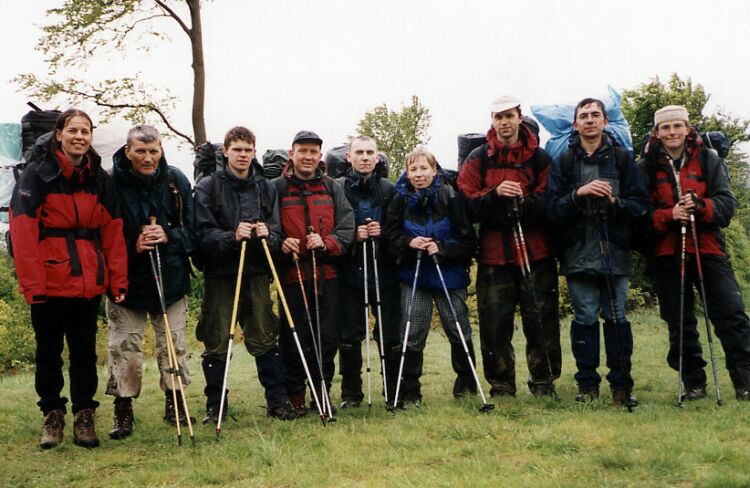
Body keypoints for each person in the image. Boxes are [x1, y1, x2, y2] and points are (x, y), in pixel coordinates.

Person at [9, 109, 128, 449]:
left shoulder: (99, 178)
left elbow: (112, 232)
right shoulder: (36, 175)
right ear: (59, 134)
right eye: (73, 130)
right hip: (48, 282)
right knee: (48, 352)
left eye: (86, 131)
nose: (80, 137)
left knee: (84, 353)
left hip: (88, 282)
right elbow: (23, 233)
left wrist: (116, 280)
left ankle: (84, 415)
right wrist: (33, 286)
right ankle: (52, 414)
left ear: (91, 137)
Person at [638, 105, 750, 401]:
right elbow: (638, 215)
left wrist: (701, 207)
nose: (672, 132)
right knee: (679, 321)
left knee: (730, 314)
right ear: (657, 133)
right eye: (665, 127)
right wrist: (668, 214)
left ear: (688, 127)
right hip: (666, 252)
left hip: (708, 248)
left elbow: (726, 206)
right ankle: (694, 383)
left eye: (677, 126)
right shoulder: (645, 165)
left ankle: (745, 381)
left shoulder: (709, 159)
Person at [457, 96, 561, 399]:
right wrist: (495, 195)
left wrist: (524, 201)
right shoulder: (478, 157)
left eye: (509, 116)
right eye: (498, 117)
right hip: (494, 255)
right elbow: (466, 201)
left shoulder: (540, 158)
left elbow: (550, 198)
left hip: (535, 252)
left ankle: (543, 382)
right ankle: (501, 385)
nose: (504, 122)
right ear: (492, 120)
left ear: (519, 117)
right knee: (494, 326)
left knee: (541, 321)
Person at [546, 98, 648, 405]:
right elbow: (551, 211)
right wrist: (578, 194)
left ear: (605, 121)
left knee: (617, 318)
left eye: (595, 115)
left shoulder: (623, 159)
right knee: (585, 318)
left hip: (614, 251)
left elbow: (641, 206)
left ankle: (621, 387)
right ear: (575, 124)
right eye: (583, 116)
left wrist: (616, 203)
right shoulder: (562, 161)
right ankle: (586, 386)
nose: (589, 120)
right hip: (577, 253)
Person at [195, 126, 298, 422]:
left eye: (248, 149)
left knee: (265, 334)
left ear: (254, 152)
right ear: (225, 151)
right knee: (216, 339)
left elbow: (277, 230)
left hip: (255, 273)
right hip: (220, 275)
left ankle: (277, 401)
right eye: (237, 149)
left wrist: (270, 233)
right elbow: (202, 233)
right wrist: (231, 236)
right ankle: (216, 405)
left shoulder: (265, 187)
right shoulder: (208, 186)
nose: (242, 155)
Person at [105, 125, 196, 439]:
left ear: (161, 149)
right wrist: (134, 244)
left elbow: (195, 230)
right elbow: (100, 234)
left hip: (171, 276)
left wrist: (168, 234)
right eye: (140, 151)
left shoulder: (175, 180)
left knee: (173, 343)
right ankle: (123, 409)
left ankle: (176, 402)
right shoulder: (110, 183)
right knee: (124, 346)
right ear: (127, 151)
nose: (147, 157)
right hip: (125, 279)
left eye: (153, 150)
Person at [384, 148, 477, 407]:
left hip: (449, 274)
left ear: (434, 170)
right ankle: (411, 391)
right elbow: (389, 237)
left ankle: (467, 384)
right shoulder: (399, 198)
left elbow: (468, 239)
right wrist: (409, 242)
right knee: (412, 331)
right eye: (413, 169)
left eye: (424, 168)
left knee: (456, 327)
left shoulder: (450, 195)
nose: (418, 174)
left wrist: (443, 248)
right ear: (407, 172)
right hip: (414, 275)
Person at [273, 130, 354, 415]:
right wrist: (281, 242)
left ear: (320, 156)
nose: (307, 156)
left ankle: (322, 391)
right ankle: (295, 394)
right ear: (292, 153)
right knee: (293, 337)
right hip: (292, 275)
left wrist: (328, 242)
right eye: (302, 151)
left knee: (327, 336)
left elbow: (347, 228)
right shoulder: (277, 188)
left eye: (313, 152)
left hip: (327, 275)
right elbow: (270, 228)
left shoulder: (332, 188)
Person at [334, 136, 401, 407]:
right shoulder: (337, 187)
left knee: (390, 334)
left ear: (378, 157)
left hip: (384, 272)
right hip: (350, 273)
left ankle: (394, 391)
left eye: (369, 152)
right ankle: (351, 394)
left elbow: (398, 229)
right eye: (359, 152)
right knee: (349, 335)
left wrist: (382, 234)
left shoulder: (389, 189)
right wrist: (354, 236)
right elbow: (333, 226)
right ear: (348, 157)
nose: (364, 157)